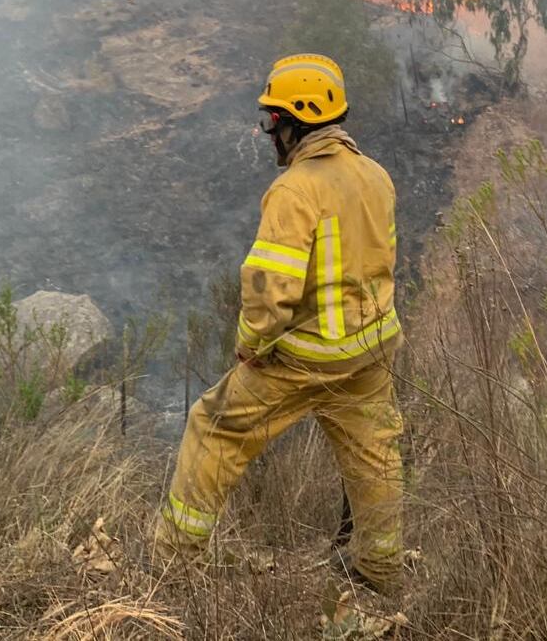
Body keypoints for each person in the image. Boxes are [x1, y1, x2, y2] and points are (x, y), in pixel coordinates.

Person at [155, 53, 405, 593]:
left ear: (296, 122)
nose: (270, 132)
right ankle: (381, 573)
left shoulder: (295, 190)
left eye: (274, 121)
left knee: (213, 425)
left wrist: (251, 344)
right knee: (375, 455)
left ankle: (173, 565)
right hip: (371, 351)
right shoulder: (375, 176)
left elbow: (271, 289)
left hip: (306, 355)